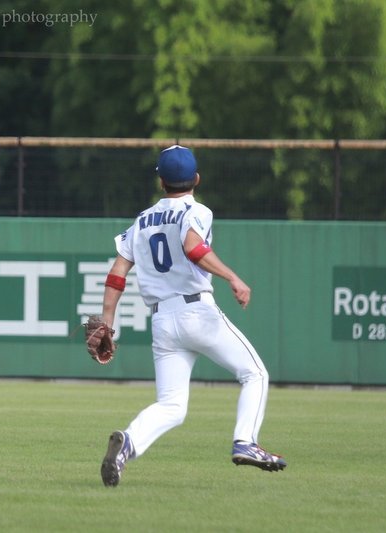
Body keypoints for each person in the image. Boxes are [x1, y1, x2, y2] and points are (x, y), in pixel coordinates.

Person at [97, 145, 286, 487]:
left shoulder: (141, 220)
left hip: (162, 321)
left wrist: (107, 322)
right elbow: (193, 247)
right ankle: (246, 441)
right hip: (197, 311)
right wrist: (232, 277)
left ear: (161, 182)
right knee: (255, 373)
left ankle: (128, 442)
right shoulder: (195, 210)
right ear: (196, 178)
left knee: (171, 405)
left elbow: (117, 273)